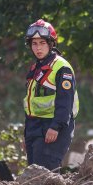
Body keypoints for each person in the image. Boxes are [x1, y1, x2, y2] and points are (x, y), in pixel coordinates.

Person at [22, 19, 79, 170]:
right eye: (34, 43)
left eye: (42, 43)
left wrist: (55, 126)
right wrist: (27, 134)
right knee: (33, 176)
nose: (38, 48)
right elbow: (32, 103)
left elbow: (65, 102)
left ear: (51, 44)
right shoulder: (37, 68)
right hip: (34, 127)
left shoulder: (61, 67)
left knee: (45, 177)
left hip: (53, 127)